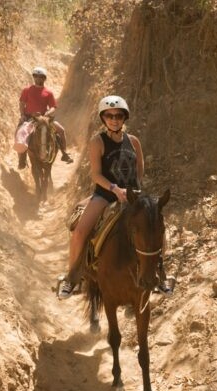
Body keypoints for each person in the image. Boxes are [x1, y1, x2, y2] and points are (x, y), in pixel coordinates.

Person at [58, 95, 144, 299]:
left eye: (118, 115)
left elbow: (139, 168)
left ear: (125, 117)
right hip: (105, 195)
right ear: (103, 118)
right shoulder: (98, 142)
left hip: (131, 195)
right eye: (109, 116)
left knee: (155, 223)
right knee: (79, 232)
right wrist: (115, 189)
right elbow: (96, 174)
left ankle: (158, 274)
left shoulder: (133, 141)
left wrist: (135, 188)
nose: (114, 119)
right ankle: (72, 279)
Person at [15, 66, 73, 169]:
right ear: (33, 77)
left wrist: (47, 113)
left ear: (44, 78)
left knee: (61, 130)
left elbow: (53, 107)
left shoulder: (48, 93)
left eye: (41, 77)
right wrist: (22, 115)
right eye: (36, 76)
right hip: (29, 118)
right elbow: (21, 103)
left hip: (44, 119)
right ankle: (22, 159)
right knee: (20, 133)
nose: (38, 78)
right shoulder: (27, 90)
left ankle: (64, 153)